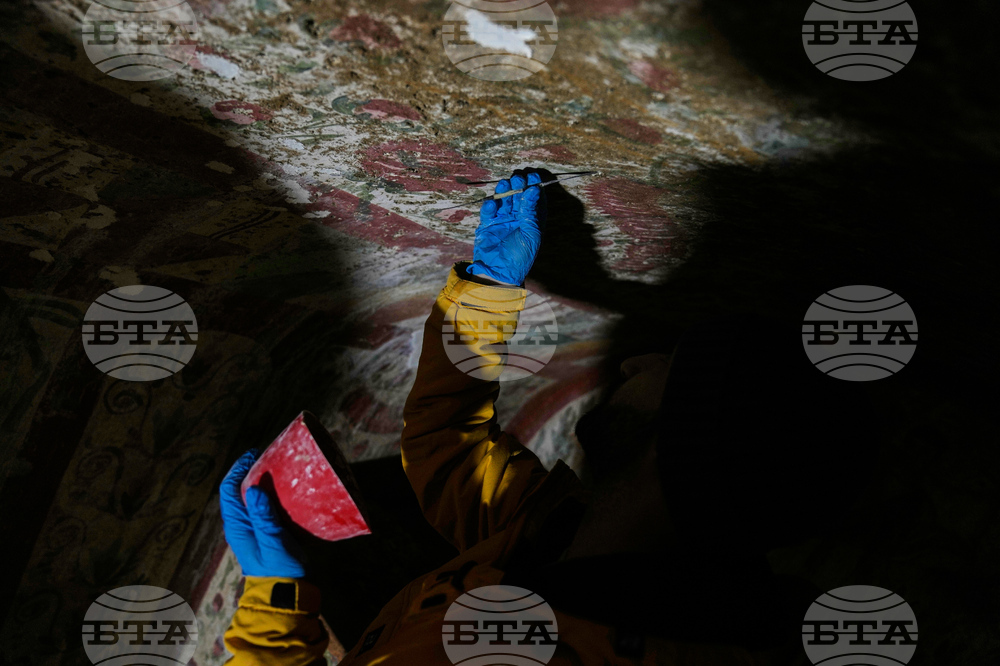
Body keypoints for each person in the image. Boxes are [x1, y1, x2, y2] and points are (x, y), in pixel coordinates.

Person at [219, 169, 881, 665]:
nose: (632, 364)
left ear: (679, 442)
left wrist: (275, 605)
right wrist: (484, 290)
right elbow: (447, 453)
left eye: (666, 367)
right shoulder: (560, 529)